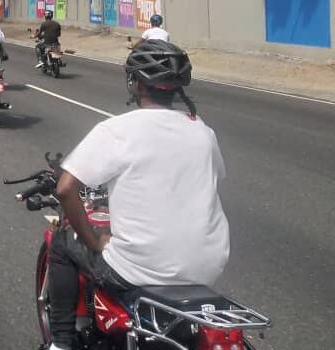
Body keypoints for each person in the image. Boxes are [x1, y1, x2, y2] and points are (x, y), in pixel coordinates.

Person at [45, 41, 228, 350]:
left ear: (137, 83)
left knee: (63, 243)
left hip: (138, 270)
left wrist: (94, 241)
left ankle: (61, 344)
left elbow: (65, 189)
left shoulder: (117, 130)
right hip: (207, 267)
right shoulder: (203, 133)